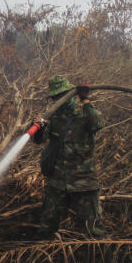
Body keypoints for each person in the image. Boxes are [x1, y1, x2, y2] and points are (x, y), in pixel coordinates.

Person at [29, 75, 105, 238]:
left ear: (71, 94)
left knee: (93, 230)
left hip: (83, 182)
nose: (59, 100)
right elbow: (38, 140)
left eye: (62, 95)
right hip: (58, 182)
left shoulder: (84, 114)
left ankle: (101, 261)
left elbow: (97, 123)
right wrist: (38, 128)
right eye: (56, 97)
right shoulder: (53, 118)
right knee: (46, 228)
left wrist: (85, 100)